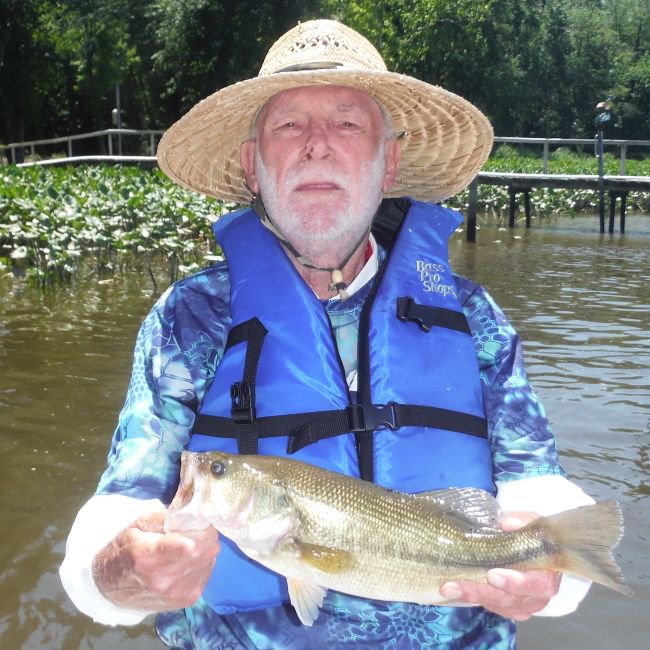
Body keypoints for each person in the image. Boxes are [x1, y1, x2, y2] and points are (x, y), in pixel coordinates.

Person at [60, 19, 596, 649]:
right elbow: (117, 510)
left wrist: (553, 578)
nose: (317, 146)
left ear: (387, 161)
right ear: (252, 166)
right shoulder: (189, 319)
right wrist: (122, 572)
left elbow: (539, 484)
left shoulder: (475, 318)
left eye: (346, 123)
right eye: (289, 126)